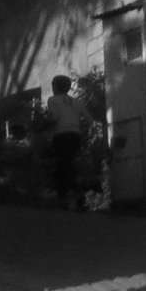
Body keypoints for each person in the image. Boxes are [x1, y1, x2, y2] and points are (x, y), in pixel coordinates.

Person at [44, 76, 90, 204]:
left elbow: (54, 118)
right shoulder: (77, 102)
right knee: (65, 164)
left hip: (61, 136)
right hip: (75, 136)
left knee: (64, 165)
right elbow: (88, 119)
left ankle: (73, 193)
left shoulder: (52, 100)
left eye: (53, 85)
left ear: (56, 87)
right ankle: (65, 196)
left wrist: (46, 122)